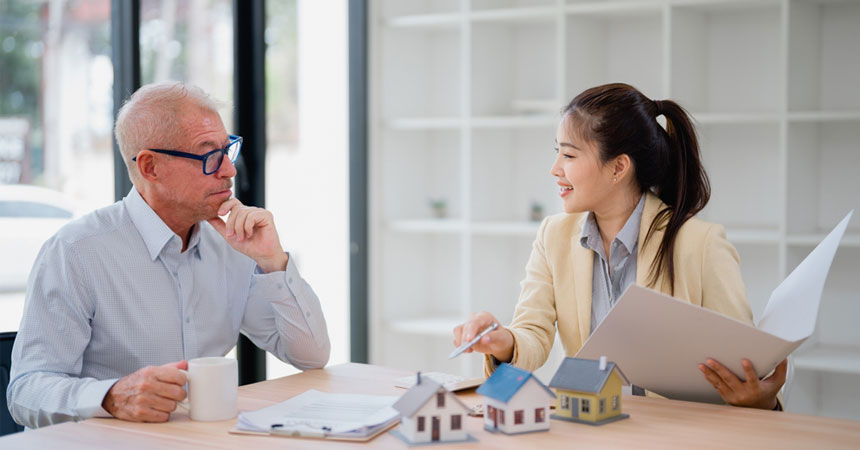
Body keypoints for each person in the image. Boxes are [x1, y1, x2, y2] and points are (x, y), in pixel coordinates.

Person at [7, 82, 330, 429]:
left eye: (227, 150)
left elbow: (310, 356)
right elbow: (27, 392)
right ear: (150, 167)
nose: (229, 171)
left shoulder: (232, 244)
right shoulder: (76, 253)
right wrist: (112, 396)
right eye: (208, 155)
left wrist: (272, 262)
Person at [452, 83, 786, 410]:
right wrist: (503, 343)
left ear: (619, 167)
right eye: (558, 153)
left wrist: (762, 400)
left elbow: (745, 366)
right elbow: (533, 333)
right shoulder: (553, 235)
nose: (555, 170)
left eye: (568, 154)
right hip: (589, 425)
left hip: (678, 435)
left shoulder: (700, 244)